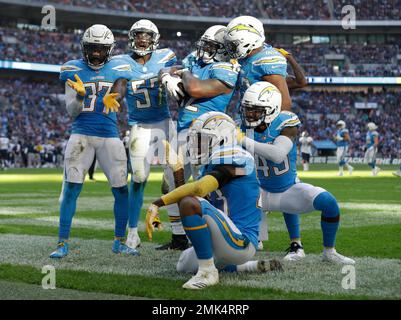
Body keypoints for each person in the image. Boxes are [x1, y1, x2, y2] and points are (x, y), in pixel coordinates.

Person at [145, 112, 282, 289]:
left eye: (202, 140)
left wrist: (157, 203)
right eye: (195, 140)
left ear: (224, 139)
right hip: (223, 237)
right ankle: (244, 267)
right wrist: (178, 172)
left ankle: (209, 272)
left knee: (190, 203)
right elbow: (190, 209)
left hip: (241, 240)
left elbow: (197, 193)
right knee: (183, 264)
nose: (196, 146)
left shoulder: (237, 157)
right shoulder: (212, 164)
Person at [238, 81, 355, 264]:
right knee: (224, 195)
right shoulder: (241, 128)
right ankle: (240, 242)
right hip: (257, 192)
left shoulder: (286, 123)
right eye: (247, 109)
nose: (250, 114)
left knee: (329, 202)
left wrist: (242, 140)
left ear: (272, 109)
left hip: (286, 190)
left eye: (256, 110)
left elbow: (277, 155)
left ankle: (327, 251)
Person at [50, 24, 138, 258]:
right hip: (81, 135)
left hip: (110, 136)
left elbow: (122, 84)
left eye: (100, 49)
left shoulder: (120, 66)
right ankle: (62, 243)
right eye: (92, 48)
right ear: (83, 48)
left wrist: (117, 94)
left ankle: (120, 241)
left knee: (121, 190)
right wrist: (80, 96)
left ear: (108, 49)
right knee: (71, 190)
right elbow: (72, 112)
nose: (96, 54)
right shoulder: (73, 69)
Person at [154, 25, 239, 250]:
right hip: (184, 129)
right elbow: (166, 69)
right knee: (171, 183)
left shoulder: (226, 68)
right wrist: (165, 77)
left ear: (223, 50)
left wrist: (181, 74)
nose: (204, 50)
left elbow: (196, 89)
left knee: (209, 185)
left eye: (211, 46)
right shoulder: (194, 60)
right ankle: (179, 237)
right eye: (204, 44)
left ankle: (223, 233)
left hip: (210, 132)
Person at [116, 19, 179, 250]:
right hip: (139, 126)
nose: (142, 39)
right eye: (138, 34)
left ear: (155, 39)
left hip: (164, 123)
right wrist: (116, 95)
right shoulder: (121, 62)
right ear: (132, 38)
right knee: (139, 178)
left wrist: (172, 75)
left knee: (177, 178)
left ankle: (181, 233)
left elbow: (177, 74)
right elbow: (121, 84)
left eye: (147, 35)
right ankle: (132, 232)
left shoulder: (166, 56)